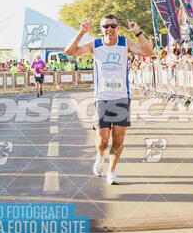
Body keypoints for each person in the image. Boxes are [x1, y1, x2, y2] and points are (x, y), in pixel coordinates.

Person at [64, 14, 153, 185]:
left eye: (113, 26)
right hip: (102, 97)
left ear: (118, 27)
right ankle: (99, 156)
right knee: (103, 138)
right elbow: (69, 52)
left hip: (121, 97)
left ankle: (112, 171)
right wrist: (81, 32)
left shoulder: (124, 43)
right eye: (106, 26)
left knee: (118, 138)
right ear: (101, 29)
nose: (109, 29)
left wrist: (137, 32)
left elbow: (149, 52)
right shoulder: (95, 44)